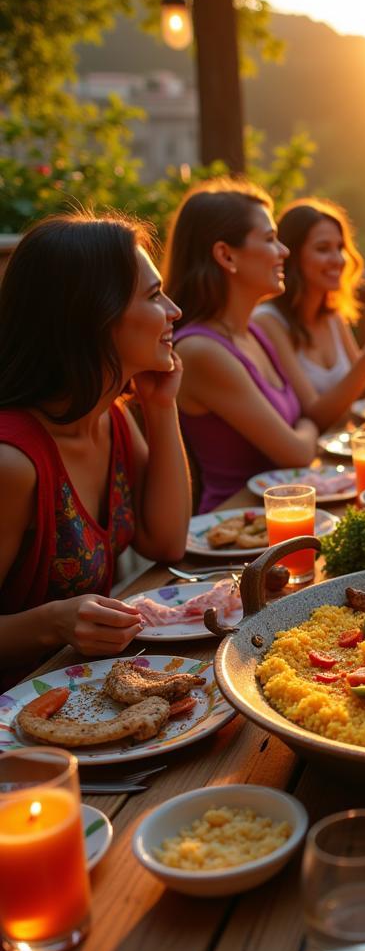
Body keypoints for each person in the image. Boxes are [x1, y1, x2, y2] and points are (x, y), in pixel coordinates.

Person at [0, 213, 190, 665]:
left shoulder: (113, 418)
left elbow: (166, 542)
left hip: (87, 692)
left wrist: (162, 408)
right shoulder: (13, 461)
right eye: (153, 295)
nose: (174, 310)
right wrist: (54, 623)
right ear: (96, 316)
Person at [165, 178, 319, 513]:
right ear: (226, 255)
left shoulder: (254, 332)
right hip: (231, 533)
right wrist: (308, 426)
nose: (284, 251)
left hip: (284, 517)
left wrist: (304, 427)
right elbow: (296, 453)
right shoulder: (201, 351)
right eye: (269, 239)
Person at [254, 198, 365, 430]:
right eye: (323, 249)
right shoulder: (267, 321)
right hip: (312, 459)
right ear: (291, 255)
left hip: (347, 448)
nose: (339, 259)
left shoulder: (332, 317)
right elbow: (315, 416)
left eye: (340, 248)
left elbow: (363, 396)